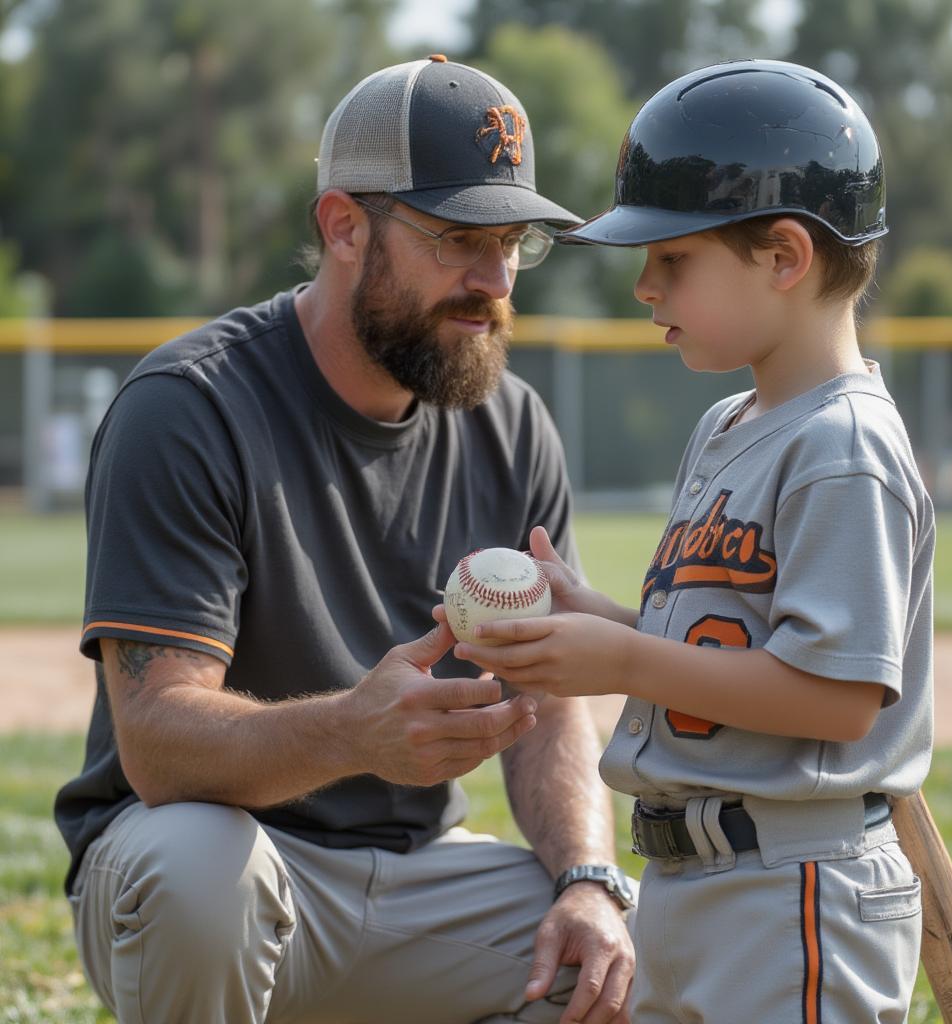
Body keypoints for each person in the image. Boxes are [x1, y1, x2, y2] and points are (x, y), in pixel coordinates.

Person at [55, 55, 636, 1024]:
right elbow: (156, 741)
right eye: (458, 238)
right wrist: (352, 731)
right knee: (200, 872)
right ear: (342, 226)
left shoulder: (514, 421)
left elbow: (546, 703)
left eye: (513, 243)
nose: (493, 280)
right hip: (225, 857)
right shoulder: (190, 408)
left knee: (625, 952)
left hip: (414, 876)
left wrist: (586, 873)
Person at [450, 59, 934, 1024]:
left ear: (784, 256)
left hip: (798, 887)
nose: (642, 285)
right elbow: (735, 647)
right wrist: (606, 623)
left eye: (673, 258)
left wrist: (625, 656)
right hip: (698, 881)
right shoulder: (728, 427)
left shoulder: (844, 446)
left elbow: (837, 700)